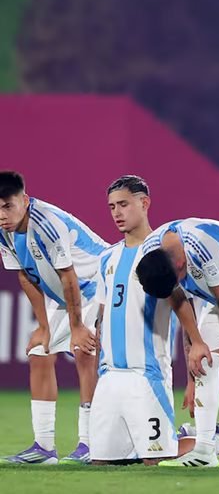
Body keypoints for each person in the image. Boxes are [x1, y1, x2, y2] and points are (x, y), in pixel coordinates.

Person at [90, 175, 211, 465]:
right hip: (109, 378)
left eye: (124, 204)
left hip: (146, 375)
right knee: (103, 464)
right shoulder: (108, 258)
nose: (117, 213)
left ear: (144, 203)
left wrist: (193, 369)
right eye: (111, 207)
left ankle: (214, 440)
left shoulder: (160, 255)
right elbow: (103, 316)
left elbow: (183, 306)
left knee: (155, 461)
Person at [0, 170, 108, 465]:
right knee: (39, 352)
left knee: (84, 352)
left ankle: (90, 443)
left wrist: (77, 327)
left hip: (98, 287)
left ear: (24, 199)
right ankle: (44, 448)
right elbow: (25, 275)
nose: (2, 214)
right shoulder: (2, 230)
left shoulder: (46, 224)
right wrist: (43, 327)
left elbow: (68, 276)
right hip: (66, 296)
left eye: (7, 206)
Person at [135, 218, 219, 467]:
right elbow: (180, 301)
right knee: (204, 365)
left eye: (179, 279)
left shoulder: (200, 245)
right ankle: (204, 451)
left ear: (182, 264)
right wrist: (195, 357)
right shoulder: (152, 253)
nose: (180, 284)